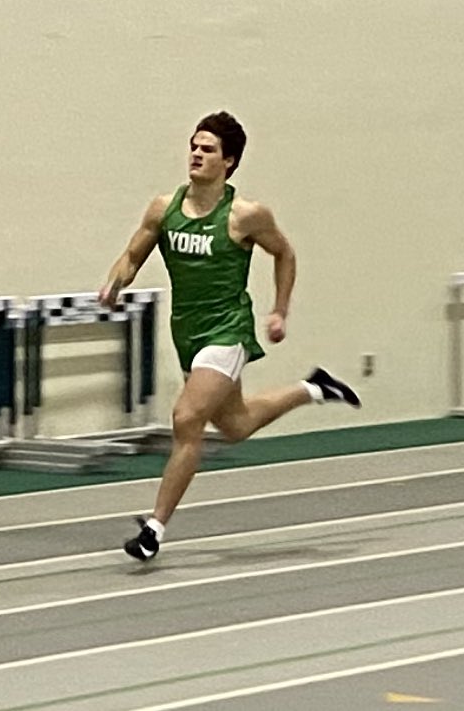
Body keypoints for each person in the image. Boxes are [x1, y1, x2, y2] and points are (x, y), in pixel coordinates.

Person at [98, 111, 361, 560]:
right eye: (194, 146)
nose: (197, 154)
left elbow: (285, 253)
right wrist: (115, 282)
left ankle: (155, 530)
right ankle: (313, 388)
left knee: (186, 418)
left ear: (230, 162)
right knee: (235, 425)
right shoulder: (164, 208)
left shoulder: (246, 216)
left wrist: (279, 310)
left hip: (227, 329)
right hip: (187, 331)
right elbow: (132, 254)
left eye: (208, 149)